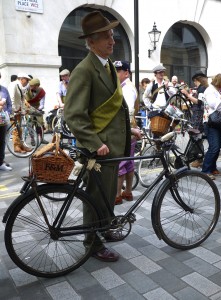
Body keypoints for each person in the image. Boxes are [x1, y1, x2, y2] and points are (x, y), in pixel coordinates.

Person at [64, 11, 131, 262]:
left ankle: (103, 228)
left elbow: (115, 106)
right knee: (94, 197)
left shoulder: (107, 65)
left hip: (112, 145)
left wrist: (130, 128)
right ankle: (92, 243)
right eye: (105, 37)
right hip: (98, 148)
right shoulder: (84, 70)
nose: (112, 41)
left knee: (105, 195)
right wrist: (95, 143)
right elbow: (74, 114)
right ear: (91, 42)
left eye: (112, 35)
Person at [113, 61, 142, 205]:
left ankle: (117, 195)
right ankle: (128, 192)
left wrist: (127, 129)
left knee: (121, 163)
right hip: (130, 130)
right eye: (115, 70)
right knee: (129, 162)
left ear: (126, 73)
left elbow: (128, 112)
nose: (116, 73)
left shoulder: (127, 89)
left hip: (127, 130)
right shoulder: (125, 87)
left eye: (119, 70)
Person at [201, 73, 221, 180]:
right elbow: (213, 104)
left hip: (219, 122)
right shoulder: (209, 91)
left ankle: (212, 168)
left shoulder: (217, 91)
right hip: (211, 122)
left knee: (217, 147)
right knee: (214, 147)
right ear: (220, 81)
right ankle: (205, 170)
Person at [181, 71, 209, 168]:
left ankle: (197, 159)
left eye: (195, 82)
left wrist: (187, 95)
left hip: (198, 117)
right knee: (198, 137)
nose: (194, 84)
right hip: (200, 116)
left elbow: (199, 102)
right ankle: (198, 159)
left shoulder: (201, 88)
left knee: (195, 137)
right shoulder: (204, 87)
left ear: (197, 80)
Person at [8, 73, 32, 154]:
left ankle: (21, 145)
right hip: (13, 111)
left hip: (18, 111)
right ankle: (17, 146)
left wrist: (23, 110)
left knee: (19, 129)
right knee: (15, 130)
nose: (27, 82)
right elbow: (11, 98)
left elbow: (22, 99)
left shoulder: (21, 87)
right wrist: (13, 110)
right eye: (27, 80)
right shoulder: (13, 85)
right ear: (22, 79)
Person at [25, 78, 49, 144]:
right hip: (28, 108)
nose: (32, 87)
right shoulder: (26, 89)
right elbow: (24, 99)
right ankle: (32, 139)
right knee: (30, 124)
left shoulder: (41, 91)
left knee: (40, 123)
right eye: (31, 86)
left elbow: (42, 102)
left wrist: (39, 109)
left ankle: (41, 139)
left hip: (38, 108)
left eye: (34, 86)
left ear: (37, 86)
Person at [0, 73, 13, 171]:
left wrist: (7, 113)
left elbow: (9, 104)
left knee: (2, 141)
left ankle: (1, 162)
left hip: (3, 120)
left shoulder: (4, 89)